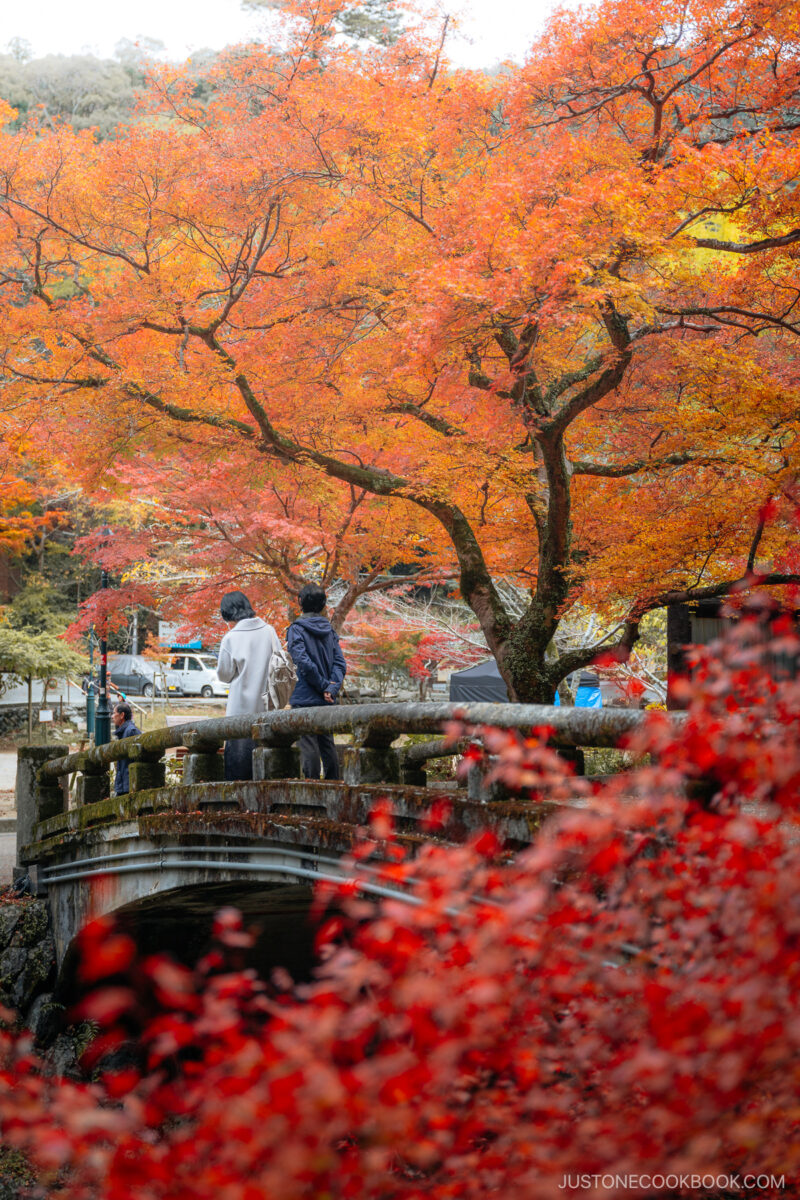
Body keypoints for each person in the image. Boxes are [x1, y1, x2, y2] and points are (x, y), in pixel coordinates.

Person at [216, 590, 282, 781]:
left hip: (239, 711)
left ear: (227, 613)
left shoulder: (230, 638)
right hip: (267, 709)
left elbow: (224, 674)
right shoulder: (269, 631)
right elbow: (279, 664)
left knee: (238, 770)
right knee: (267, 769)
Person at [287, 584, 347, 780]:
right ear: (323, 605)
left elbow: (302, 662)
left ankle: (312, 789)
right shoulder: (329, 631)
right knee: (327, 744)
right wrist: (331, 687)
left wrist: (323, 686)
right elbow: (339, 663)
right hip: (327, 698)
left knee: (309, 745)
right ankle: (333, 787)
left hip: (305, 696)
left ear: (300, 603)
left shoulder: (296, 629)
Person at [113, 701, 141, 796]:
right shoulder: (123, 732)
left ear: (122, 715)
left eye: (114, 713)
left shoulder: (131, 732)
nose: (112, 716)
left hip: (128, 785)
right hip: (124, 784)